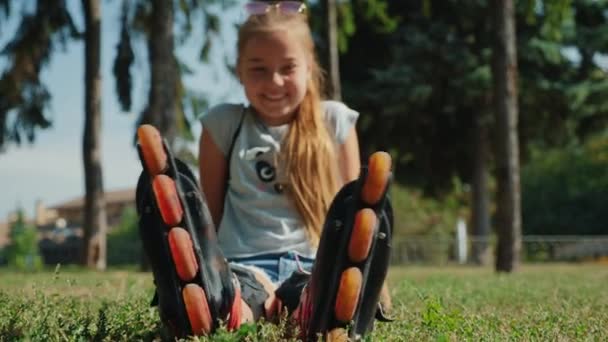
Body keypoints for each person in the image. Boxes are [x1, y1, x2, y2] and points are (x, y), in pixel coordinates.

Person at [134, 1, 393, 340]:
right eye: (258, 69)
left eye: (288, 68)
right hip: (242, 263)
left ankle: (317, 310)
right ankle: (222, 306)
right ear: (238, 69)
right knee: (238, 291)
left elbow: (352, 210)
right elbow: (207, 216)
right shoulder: (224, 124)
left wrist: (375, 278)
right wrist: (198, 262)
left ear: (309, 68)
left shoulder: (335, 121)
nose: (274, 81)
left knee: (314, 288)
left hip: (312, 263)